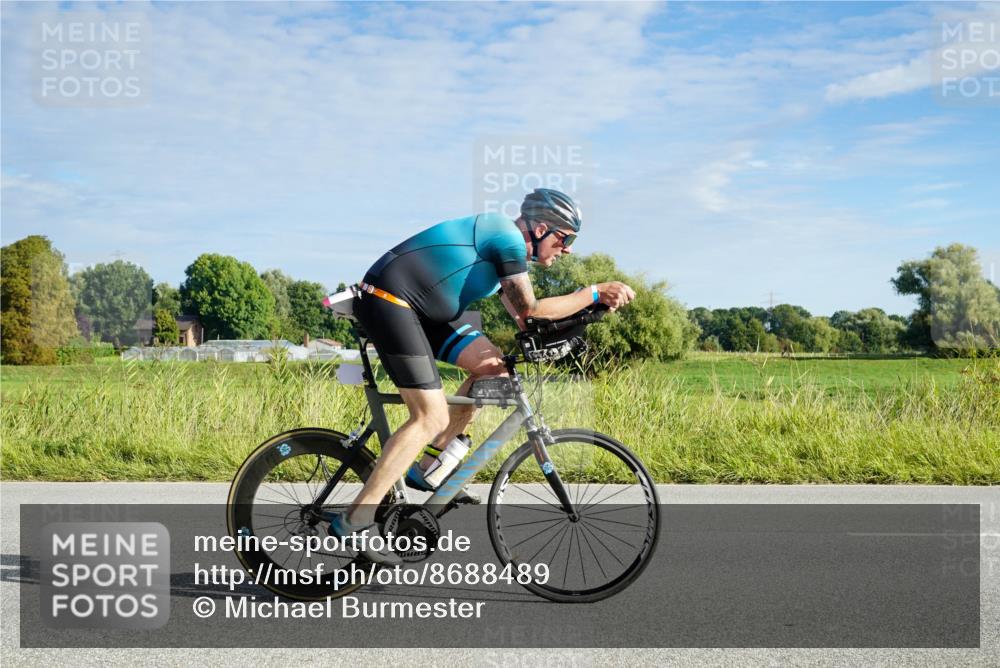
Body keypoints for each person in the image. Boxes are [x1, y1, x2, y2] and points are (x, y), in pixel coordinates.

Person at [330, 188, 635, 563]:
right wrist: (591, 292)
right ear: (541, 228)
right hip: (391, 301)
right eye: (565, 238)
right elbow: (534, 308)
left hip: (426, 312)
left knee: (494, 370)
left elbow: (527, 320)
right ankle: (356, 516)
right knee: (429, 415)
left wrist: (588, 316)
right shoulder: (503, 235)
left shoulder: (508, 259)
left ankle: (428, 468)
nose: (567, 248)